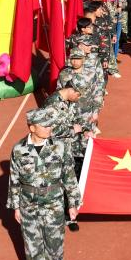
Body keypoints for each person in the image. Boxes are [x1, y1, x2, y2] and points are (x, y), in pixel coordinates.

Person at [6, 107, 80, 260]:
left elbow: (69, 176)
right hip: (28, 204)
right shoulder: (18, 149)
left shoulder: (60, 147)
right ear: (32, 128)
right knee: (32, 246)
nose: (49, 128)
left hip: (54, 203)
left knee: (55, 245)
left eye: (50, 125)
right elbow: (14, 179)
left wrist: (73, 203)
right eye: (45, 125)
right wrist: (16, 207)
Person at [44, 85, 87, 232]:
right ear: (71, 90)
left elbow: (70, 120)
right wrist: (72, 130)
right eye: (78, 95)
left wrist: (84, 129)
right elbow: (48, 129)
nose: (78, 98)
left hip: (67, 150)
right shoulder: (52, 103)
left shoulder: (66, 101)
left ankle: (70, 216)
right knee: (55, 183)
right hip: (55, 151)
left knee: (69, 182)